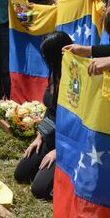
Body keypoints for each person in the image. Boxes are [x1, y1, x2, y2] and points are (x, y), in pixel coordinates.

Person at [15, 31, 72, 200]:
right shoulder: (54, 74)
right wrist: (39, 136)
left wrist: (59, 151)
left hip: (67, 146)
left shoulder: (76, 80)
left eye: (47, 56)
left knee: (39, 190)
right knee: (21, 174)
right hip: (49, 138)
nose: (44, 60)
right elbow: (51, 110)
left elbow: (80, 125)